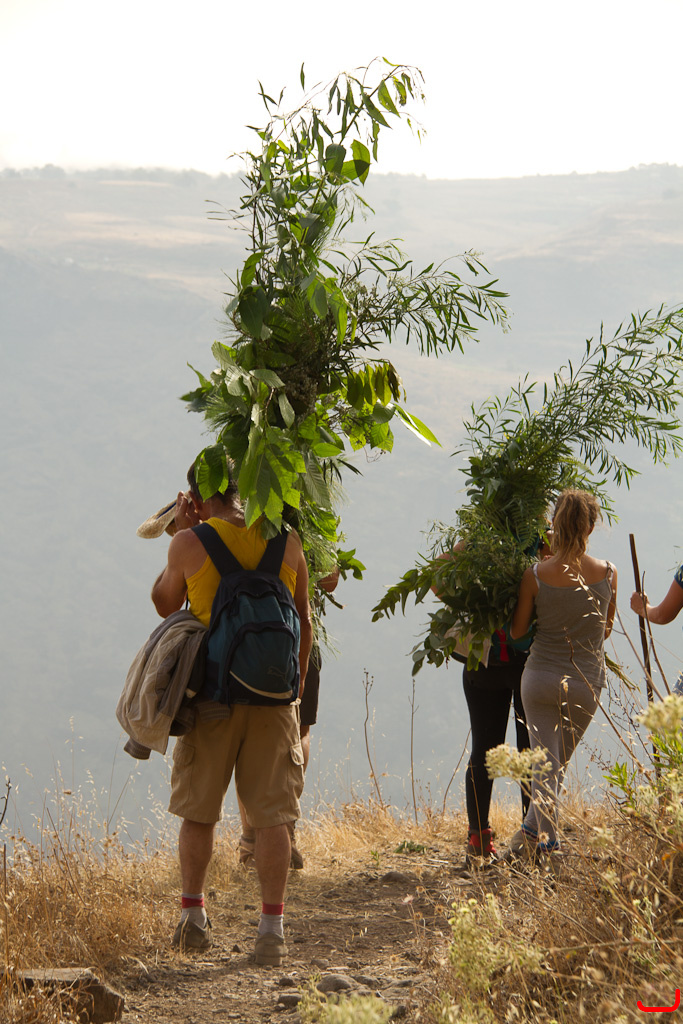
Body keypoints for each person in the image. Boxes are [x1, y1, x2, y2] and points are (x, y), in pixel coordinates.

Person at [151, 459, 312, 965]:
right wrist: (295, 687)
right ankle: (271, 930)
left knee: (199, 812)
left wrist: (183, 530)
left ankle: (193, 919)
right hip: (274, 699)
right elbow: (304, 621)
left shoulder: (189, 543)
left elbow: (164, 602)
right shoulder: (286, 541)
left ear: (198, 498)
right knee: (272, 818)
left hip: (212, 698)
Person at [508, 489, 617, 865]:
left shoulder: (535, 575)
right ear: (591, 527)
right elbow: (605, 631)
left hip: (539, 679)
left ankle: (534, 841)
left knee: (548, 769)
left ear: (553, 524)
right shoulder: (609, 574)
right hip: (585, 683)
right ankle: (545, 847)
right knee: (552, 768)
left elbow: (517, 632)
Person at [433, 545, 533, 862]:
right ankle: (532, 839)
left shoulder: (480, 539)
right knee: (531, 753)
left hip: (484, 655)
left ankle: (478, 839)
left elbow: (435, 575)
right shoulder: (542, 540)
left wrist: (467, 607)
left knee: (484, 751)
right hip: (529, 662)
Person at [238, 566, 340, 870]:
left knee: (246, 739)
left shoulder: (231, 533)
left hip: (243, 637)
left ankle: (251, 839)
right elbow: (330, 581)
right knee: (298, 732)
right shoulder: (307, 536)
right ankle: (284, 831)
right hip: (298, 634)